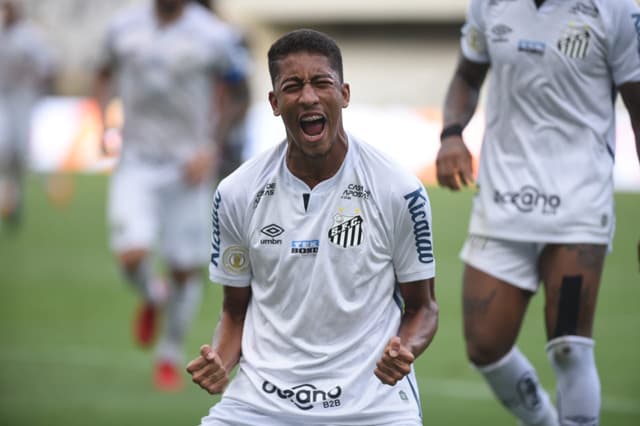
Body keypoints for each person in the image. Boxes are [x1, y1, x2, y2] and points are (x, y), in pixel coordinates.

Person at [186, 29, 439, 425]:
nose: (308, 97)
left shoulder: (398, 190)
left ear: (344, 94)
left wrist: (404, 349)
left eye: (322, 83)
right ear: (273, 102)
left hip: (372, 404)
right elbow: (234, 311)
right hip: (260, 404)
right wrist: (221, 358)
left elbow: (423, 307)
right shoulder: (236, 192)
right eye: (293, 86)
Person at [436, 0, 640, 425]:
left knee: (569, 344)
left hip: (577, 206)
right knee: (485, 347)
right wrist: (452, 134)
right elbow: (465, 77)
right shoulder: (489, 5)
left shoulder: (614, 10)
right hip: (503, 200)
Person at [93, 0, 249, 391]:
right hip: (136, 160)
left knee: (184, 269)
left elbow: (240, 93)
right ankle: (153, 293)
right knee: (132, 254)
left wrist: (212, 146)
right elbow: (101, 73)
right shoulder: (123, 26)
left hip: (188, 168)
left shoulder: (214, 34)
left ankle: (169, 352)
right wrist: (102, 122)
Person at [0, 0, 56, 229]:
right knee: (3, 147)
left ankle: (15, 198)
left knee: (20, 151)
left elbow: (48, 65)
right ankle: (6, 195)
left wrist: (42, 92)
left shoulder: (30, 36)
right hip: (1, 95)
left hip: (23, 96)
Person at [193, 0, 252, 180]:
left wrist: (218, 136)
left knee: (227, 196)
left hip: (226, 136)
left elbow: (242, 95)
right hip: (193, 136)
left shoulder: (228, 37)